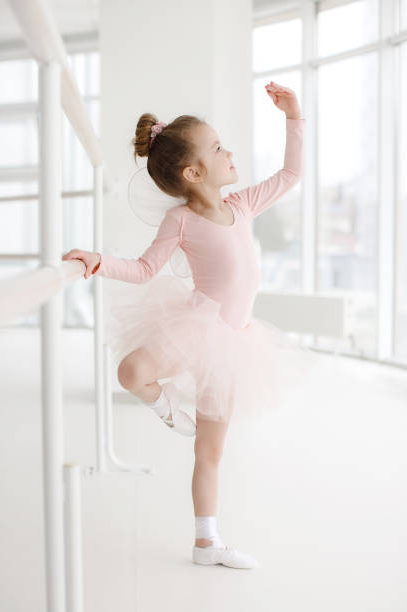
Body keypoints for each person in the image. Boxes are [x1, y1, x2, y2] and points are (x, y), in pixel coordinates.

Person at [62, 81, 318, 569]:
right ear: (194, 171)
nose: (230, 152)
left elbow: (289, 174)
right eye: (219, 148)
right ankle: (165, 409)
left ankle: (207, 543)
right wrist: (97, 260)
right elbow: (142, 269)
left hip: (237, 346)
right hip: (197, 327)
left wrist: (293, 117)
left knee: (211, 451)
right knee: (132, 371)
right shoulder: (180, 220)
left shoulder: (241, 206)